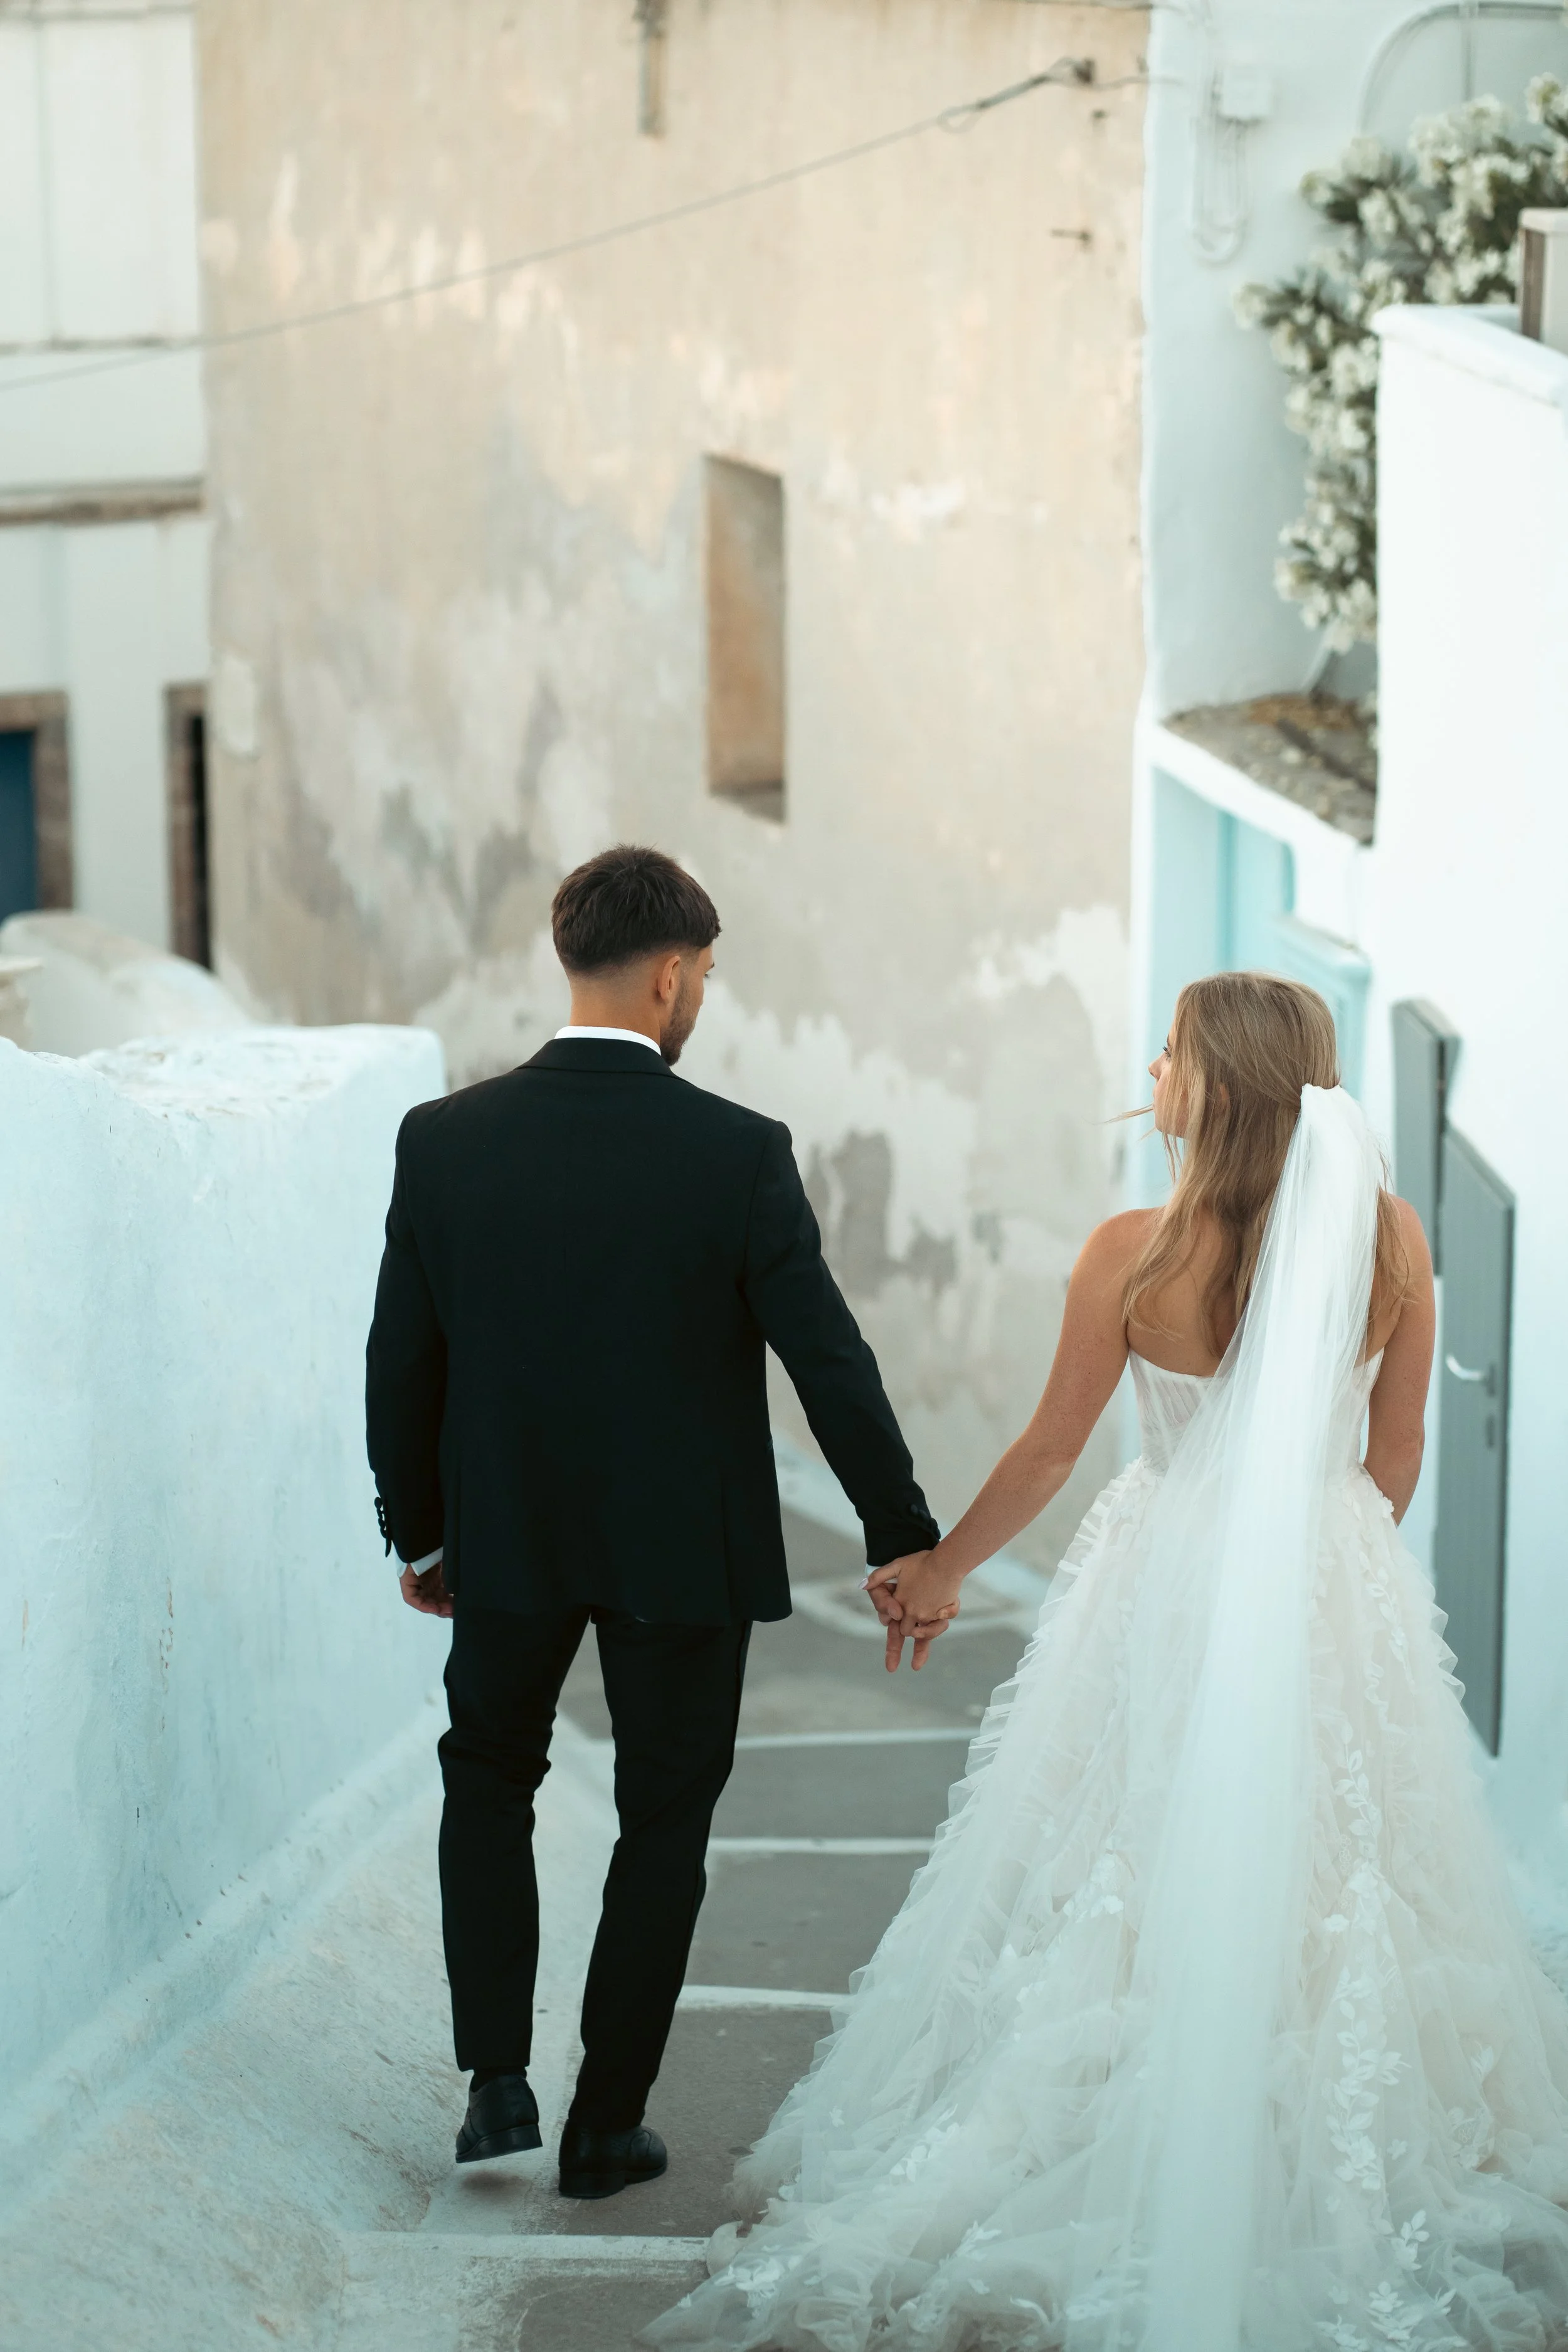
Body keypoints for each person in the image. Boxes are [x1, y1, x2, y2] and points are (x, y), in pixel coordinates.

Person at [647, 972, 1568, 2351]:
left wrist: (940, 1568)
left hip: (1156, 1588)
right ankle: (1307, 2125)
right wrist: (1313, 1571)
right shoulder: (1389, 1240)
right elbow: (1392, 1459)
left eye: (1167, 1051)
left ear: (1214, 1082)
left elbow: (1045, 1451)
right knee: (1340, 1853)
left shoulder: (1127, 1251)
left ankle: (1142, 2096)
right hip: (1330, 1582)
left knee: (1124, 1842)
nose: (1148, 1068)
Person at [364, 844, 938, 2200]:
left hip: (502, 1540)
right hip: (684, 1551)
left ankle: (492, 2079)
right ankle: (601, 2126)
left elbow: (401, 1357)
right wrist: (897, 1533)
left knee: (486, 1778)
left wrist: (421, 1533)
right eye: (707, 979)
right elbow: (827, 1363)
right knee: (660, 1820)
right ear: (672, 973)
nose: (703, 1003)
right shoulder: (734, 1154)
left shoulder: (444, 1140)